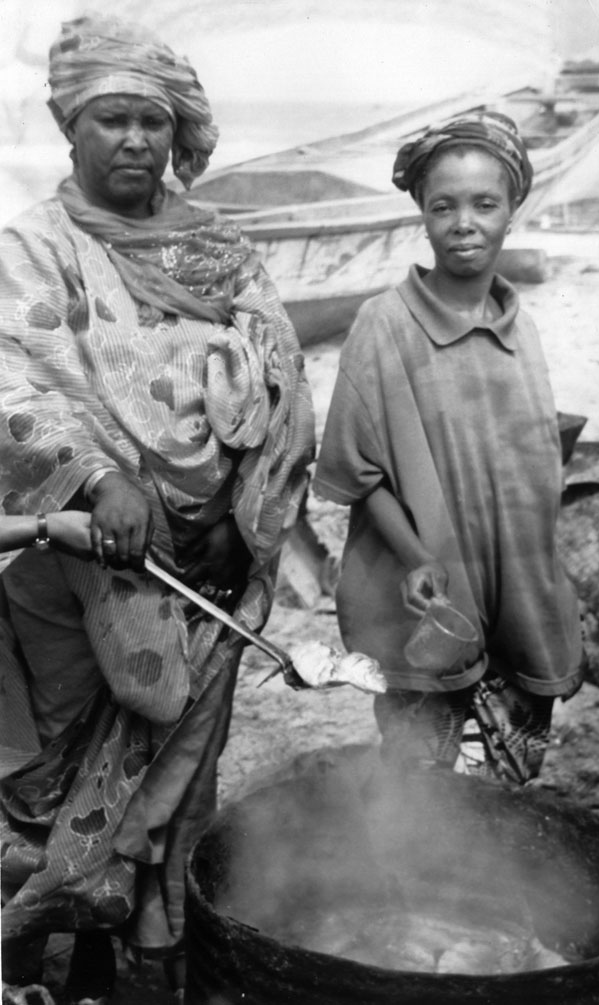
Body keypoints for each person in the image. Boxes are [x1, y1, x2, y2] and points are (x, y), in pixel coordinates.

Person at [0, 13, 314, 1004]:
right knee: (57, 756)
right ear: (71, 127)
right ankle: (31, 945)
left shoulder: (219, 250)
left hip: (211, 562)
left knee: (179, 765)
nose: (136, 139)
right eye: (113, 118)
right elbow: (16, 385)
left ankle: (132, 942)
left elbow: (284, 381)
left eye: (154, 120)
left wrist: (242, 514)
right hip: (76, 556)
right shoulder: (33, 246)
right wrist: (102, 477)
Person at [314, 110, 583, 785]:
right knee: (425, 789)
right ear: (424, 216)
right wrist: (416, 556)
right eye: (445, 206)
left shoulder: (521, 330)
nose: (465, 222)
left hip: (519, 591)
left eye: (485, 204)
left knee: (505, 788)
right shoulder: (385, 324)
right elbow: (358, 469)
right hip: (426, 599)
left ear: (512, 213)